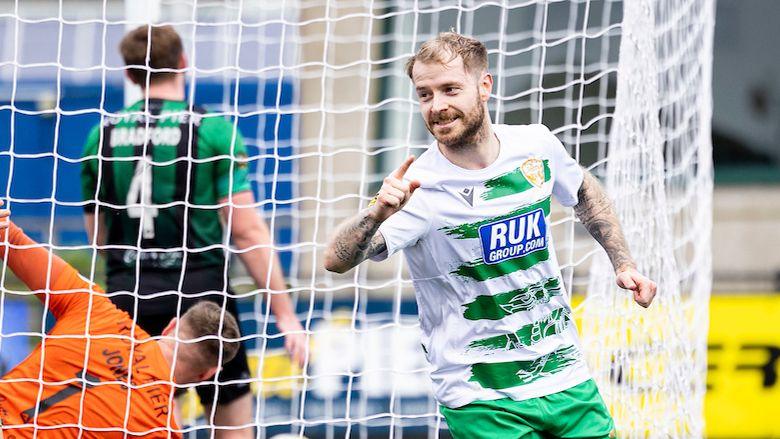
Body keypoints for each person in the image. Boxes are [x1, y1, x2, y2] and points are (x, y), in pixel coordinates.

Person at [324, 32, 657, 439]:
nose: (438, 106)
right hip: (482, 395)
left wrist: (623, 263)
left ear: (484, 86)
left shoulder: (536, 145)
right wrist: (375, 213)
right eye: (424, 95)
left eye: (450, 89)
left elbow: (585, 191)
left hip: (566, 375)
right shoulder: (418, 188)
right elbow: (335, 260)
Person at [80, 25, 306, 438]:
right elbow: (248, 232)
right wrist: (286, 317)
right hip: (204, 298)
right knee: (232, 421)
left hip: (128, 297)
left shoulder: (101, 137)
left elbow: (98, 238)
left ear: (130, 75)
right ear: (183, 63)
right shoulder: (213, 130)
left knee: (145, 420)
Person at [0, 214, 240, 438]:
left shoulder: (94, 308)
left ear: (170, 327)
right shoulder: (159, 431)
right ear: (207, 375)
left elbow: (11, 239)